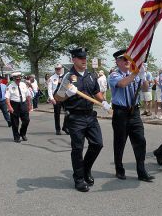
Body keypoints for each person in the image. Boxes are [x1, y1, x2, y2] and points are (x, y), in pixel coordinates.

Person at [54, 47, 109, 192]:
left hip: (90, 115)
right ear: (74, 60)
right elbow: (57, 98)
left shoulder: (91, 75)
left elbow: (96, 92)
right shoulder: (68, 77)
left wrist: (103, 102)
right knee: (77, 149)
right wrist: (67, 93)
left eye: (85, 58)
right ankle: (79, 179)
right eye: (80, 58)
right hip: (75, 117)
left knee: (97, 144)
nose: (84, 60)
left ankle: (85, 169)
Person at [109, 49, 154, 182]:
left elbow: (145, 88)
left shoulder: (133, 74)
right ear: (118, 61)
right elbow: (122, 84)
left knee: (140, 141)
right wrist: (136, 73)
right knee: (120, 142)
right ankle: (119, 168)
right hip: (120, 112)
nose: (128, 61)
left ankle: (141, 171)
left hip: (134, 112)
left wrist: (143, 75)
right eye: (124, 59)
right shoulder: (114, 75)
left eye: (129, 58)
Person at [5, 72, 32, 142]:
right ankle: (16, 137)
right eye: (16, 79)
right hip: (14, 104)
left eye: (19, 79)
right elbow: (7, 98)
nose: (18, 80)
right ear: (14, 79)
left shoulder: (23, 85)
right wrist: (9, 107)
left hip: (23, 103)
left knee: (26, 120)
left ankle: (23, 133)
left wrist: (29, 105)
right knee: (15, 122)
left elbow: (28, 95)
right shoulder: (10, 86)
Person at [47, 64, 68, 135]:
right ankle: (58, 129)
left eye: (59, 69)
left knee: (68, 112)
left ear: (61, 69)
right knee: (57, 114)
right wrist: (51, 98)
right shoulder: (52, 78)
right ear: (55, 69)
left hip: (64, 96)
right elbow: (49, 89)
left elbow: (68, 87)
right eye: (57, 69)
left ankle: (65, 127)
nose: (58, 70)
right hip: (56, 97)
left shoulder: (66, 77)